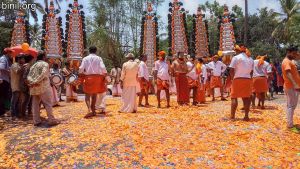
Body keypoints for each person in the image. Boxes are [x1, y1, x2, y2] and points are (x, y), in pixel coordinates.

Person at [27, 51, 59, 126]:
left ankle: (36, 121)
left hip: (34, 87)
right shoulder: (45, 64)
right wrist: (36, 81)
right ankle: (51, 120)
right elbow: (43, 74)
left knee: (35, 104)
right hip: (43, 87)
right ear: (44, 57)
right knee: (47, 104)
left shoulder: (33, 65)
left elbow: (29, 76)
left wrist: (32, 82)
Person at [79, 46, 107, 118]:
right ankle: (93, 110)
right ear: (96, 51)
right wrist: (105, 74)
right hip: (97, 78)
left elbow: (81, 68)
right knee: (94, 95)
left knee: (87, 95)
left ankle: (89, 109)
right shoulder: (99, 58)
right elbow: (103, 67)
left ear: (89, 51)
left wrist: (80, 73)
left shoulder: (85, 58)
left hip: (88, 77)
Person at [229, 44, 254, 121]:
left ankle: (232, 116)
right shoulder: (251, 59)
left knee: (234, 97)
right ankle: (246, 116)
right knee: (246, 98)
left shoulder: (236, 58)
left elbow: (231, 70)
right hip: (247, 79)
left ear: (238, 50)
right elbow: (252, 72)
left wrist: (232, 79)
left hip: (237, 79)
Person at [281, 45, 300, 129]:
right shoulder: (286, 62)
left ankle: (290, 124)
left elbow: (298, 58)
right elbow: (288, 73)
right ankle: (290, 125)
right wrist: (295, 84)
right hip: (291, 86)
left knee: (292, 105)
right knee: (291, 106)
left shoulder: (290, 60)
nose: (295, 55)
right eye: (293, 53)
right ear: (288, 52)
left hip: (293, 86)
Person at [10, 55, 26, 119]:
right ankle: (13, 114)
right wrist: (23, 67)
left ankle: (17, 114)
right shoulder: (15, 65)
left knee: (19, 101)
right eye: (23, 59)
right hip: (15, 85)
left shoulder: (20, 65)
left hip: (20, 86)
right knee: (14, 101)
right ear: (19, 59)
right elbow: (18, 71)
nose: (24, 60)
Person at [0, 48, 13, 116]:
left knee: (4, 96)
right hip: (3, 80)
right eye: (10, 53)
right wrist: (9, 71)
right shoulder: (3, 58)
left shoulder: (6, 59)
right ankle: (1, 112)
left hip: (5, 80)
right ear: (7, 53)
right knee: (2, 96)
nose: (11, 54)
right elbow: (1, 67)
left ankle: (2, 111)